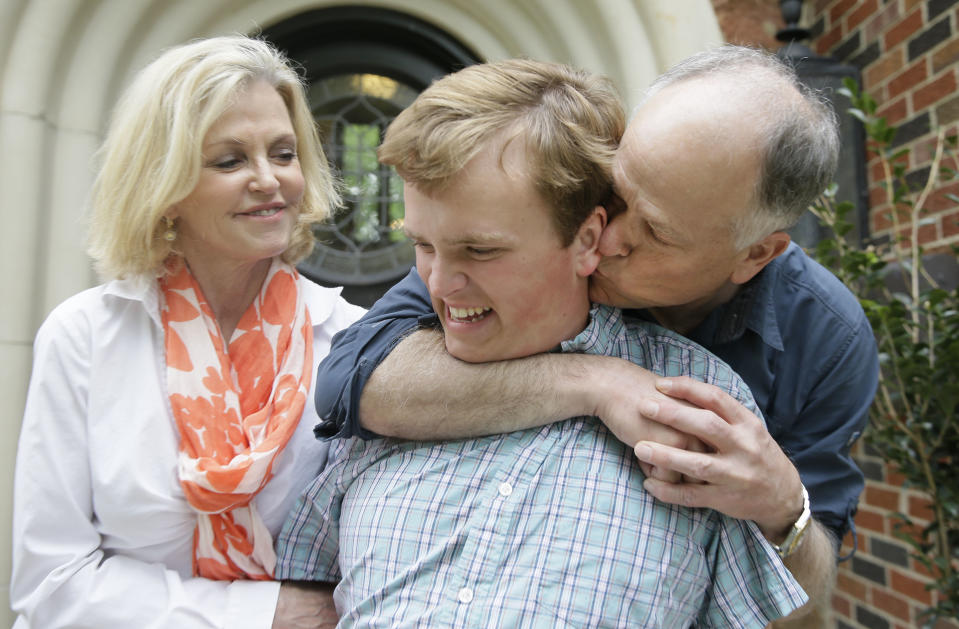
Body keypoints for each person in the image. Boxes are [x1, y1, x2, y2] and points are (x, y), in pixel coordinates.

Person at [312, 45, 879, 626]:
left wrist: (784, 507)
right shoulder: (523, 245)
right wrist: (597, 380)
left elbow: (807, 598)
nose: (604, 239)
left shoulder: (825, 343)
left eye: (654, 230)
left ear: (755, 254)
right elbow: (351, 383)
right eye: (618, 193)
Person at [10, 36, 366, 629]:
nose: (269, 180)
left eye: (283, 153)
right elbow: (51, 585)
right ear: (166, 187)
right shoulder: (86, 337)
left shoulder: (346, 341)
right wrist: (265, 613)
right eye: (230, 161)